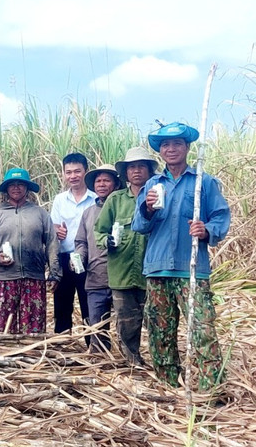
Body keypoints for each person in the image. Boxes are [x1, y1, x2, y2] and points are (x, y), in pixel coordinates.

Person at [132, 122, 231, 391]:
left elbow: (221, 217)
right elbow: (139, 227)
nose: (171, 149)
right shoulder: (152, 184)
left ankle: (211, 391)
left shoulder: (203, 182)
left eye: (177, 144)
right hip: (158, 269)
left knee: (202, 331)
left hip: (192, 271)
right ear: (160, 151)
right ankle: (168, 387)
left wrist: (206, 229)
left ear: (187, 148)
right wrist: (148, 210)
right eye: (166, 145)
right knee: (160, 334)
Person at [0, 168, 60, 334]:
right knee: (2, 331)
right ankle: (4, 358)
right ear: (6, 189)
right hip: (3, 279)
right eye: (12, 185)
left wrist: (55, 273)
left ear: (27, 188)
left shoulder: (40, 214)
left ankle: (32, 358)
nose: (16, 188)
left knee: (32, 332)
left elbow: (52, 242)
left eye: (21, 184)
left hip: (33, 279)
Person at [95, 147, 157, 366]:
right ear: (126, 172)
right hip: (121, 271)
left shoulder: (159, 195)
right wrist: (107, 242)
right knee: (127, 320)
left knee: (155, 319)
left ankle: (160, 361)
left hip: (152, 270)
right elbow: (99, 231)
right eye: (132, 167)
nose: (137, 171)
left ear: (150, 170)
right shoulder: (115, 200)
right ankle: (132, 362)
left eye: (141, 166)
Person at [50, 152, 96, 342]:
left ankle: (92, 345)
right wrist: (56, 231)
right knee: (61, 304)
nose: (73, 176)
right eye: (68, 172)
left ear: (86, 171)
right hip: (64, 257)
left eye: (77, 171)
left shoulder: (96, 199)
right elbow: (52, 227)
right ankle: (62, 346)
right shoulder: (60, 200)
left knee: (88, 303)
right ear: (63, 174)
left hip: (89, 259)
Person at [74, 164, 120, 353]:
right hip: (95, 277)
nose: (101, 184)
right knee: (97, 327)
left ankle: (128, 363)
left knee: (126, 326)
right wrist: (79, 258)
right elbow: (81, 241)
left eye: (106, 180)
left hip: (121, 278)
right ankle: (100, 362)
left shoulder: (124, 208)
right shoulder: (88, 213)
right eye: (98, 181)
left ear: (116, 184)